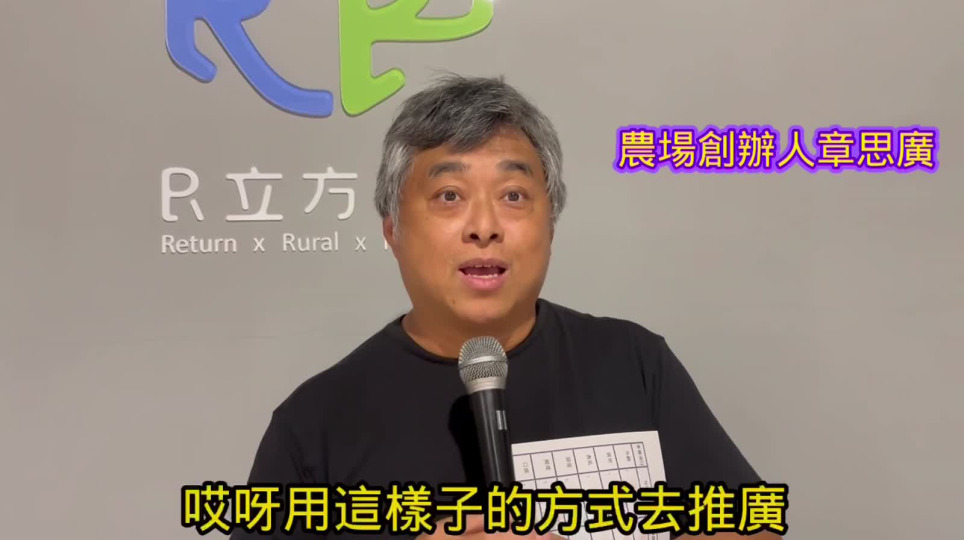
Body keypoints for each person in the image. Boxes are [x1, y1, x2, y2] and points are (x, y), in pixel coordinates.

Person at [228, 75, 780, 540]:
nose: (485, 227)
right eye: (449, 196)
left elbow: (749, 525)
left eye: (513, 196)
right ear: (393, 230)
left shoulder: (632, 362)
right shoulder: (316, 422)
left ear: (551, 224)